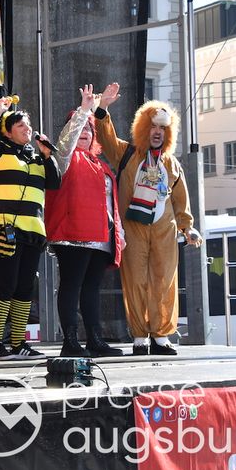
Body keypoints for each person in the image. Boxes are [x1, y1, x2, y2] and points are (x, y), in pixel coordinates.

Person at [94, 82, 202, 356]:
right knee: (135, 280)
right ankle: (141, 336)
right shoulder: (127, 153)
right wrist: (103, 108)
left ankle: (161, 335)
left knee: (164, 281)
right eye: (153, 126)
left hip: (164, 229)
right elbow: (106, 137)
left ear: (168, 133)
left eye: (162, 128)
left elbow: (181, 200)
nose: (157, 132)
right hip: (133, 227)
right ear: (144, 128)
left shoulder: (171, 163)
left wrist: (188, 228)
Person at [0, 96, 60, 360]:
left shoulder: (36, 157)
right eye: (21, 125)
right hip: (3, 228)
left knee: (25, 287)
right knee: (6, 284)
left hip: (32, 230)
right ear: (7, 131)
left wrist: (47, 155)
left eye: (28, 125)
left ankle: (18, 343)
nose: (27, 129)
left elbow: (55, 183)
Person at [45, 85, 124, 358]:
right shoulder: (64, 158)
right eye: (81, 128)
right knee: (71, 285)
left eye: (90, 128)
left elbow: (111, 204)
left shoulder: (100, 164)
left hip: (101, 237)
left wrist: (119, 235)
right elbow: (66, 142)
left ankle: (95, 339)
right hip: (73, 234)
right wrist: (83, 111)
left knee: (91, 289)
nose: (85, 132)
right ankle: (70, 341)